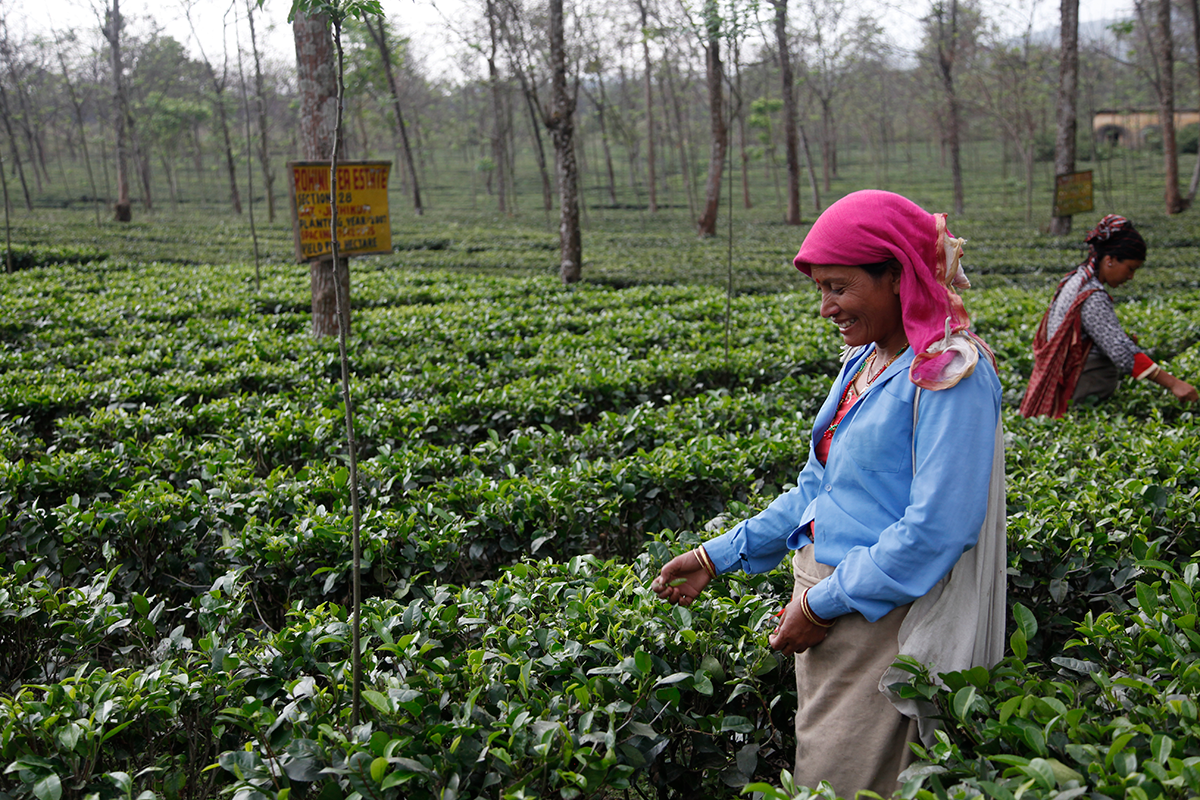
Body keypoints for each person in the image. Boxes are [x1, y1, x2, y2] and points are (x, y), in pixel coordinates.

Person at [651, 191, 1007, 798]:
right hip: (829, 600)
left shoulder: (949, 372)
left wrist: (821, 606)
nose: (826, 308)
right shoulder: (865, 360)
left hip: (880, 615)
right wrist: (718, 555)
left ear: (897, 275)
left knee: (844, 780)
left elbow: (937, 529)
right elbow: (822, 489)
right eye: (820, 289)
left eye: (839, 287)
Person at [1020, 214, 1198, 418]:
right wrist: (1174, 384)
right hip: (1081, 389)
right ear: (1110, 260)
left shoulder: (1076, 279)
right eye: (1130, 269)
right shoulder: (1091, 296)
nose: (1130, 277)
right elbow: (1121, 352)